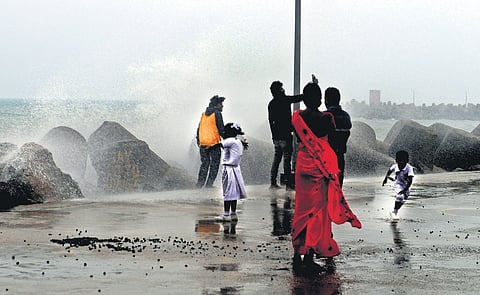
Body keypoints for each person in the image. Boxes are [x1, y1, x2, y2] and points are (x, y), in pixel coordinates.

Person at [291, 81, 362, 273]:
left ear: (304, 99)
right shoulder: (326, 119)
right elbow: (328, 143)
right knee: (316, 212)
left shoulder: (297, 117)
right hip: (319, 169)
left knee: (301, 210)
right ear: (319, 99)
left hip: (302, 167)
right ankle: (310, 257)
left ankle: (297, 255)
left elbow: (301, 136)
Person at [267, 81, 303, 190]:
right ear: (279, 90)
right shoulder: (285, 100)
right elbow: (298, 98)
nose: (283, 90)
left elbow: (270, 121)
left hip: (276, 137)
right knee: (287, 160)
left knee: (277, 159)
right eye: (282, 88)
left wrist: (273, 136)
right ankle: (288, 184)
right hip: (286, 135)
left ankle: (273, 182)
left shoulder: (271, 104)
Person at [217, 123, 248, 222]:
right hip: (236, 169)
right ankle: (233, 214)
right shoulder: (237, 141)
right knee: (234, 193)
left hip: (228, 169)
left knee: (228, 192)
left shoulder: (229, 141)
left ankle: (226, 215)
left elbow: (219, 145)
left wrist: (208, 148)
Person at [324, 87, 352, 187]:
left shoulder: (325, 116)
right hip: (340, 155)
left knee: (327, 187)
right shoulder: (346, 116)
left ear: (326, 100)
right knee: (338, 186)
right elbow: (347, 132)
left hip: (326, 157)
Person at [196, 95, 225, 188]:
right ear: (217, 105)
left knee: (204, 164)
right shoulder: (217, 114)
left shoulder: (203, 114)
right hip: (214, 144)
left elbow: (199, 129)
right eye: (221, 104)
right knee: (214, 165)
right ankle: (209, 185)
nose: (222, 106)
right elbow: (221, 130)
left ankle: (199, 185)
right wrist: (229, 139)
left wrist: (198, 141)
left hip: (203, 144)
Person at [382, 150, 414, 221]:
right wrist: (385, 179)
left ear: (407, 161)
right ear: (396, 160)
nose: (401, 163)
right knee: (400, 196)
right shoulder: (395, 166)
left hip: (407, 186)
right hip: (398, 183)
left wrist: (405, 189)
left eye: (403, 161)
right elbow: (389, 171)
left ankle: (394, 212)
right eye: (400, 161)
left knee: (403, 199)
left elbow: (410, 180)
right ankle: (394, 213)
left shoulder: (409, 168)